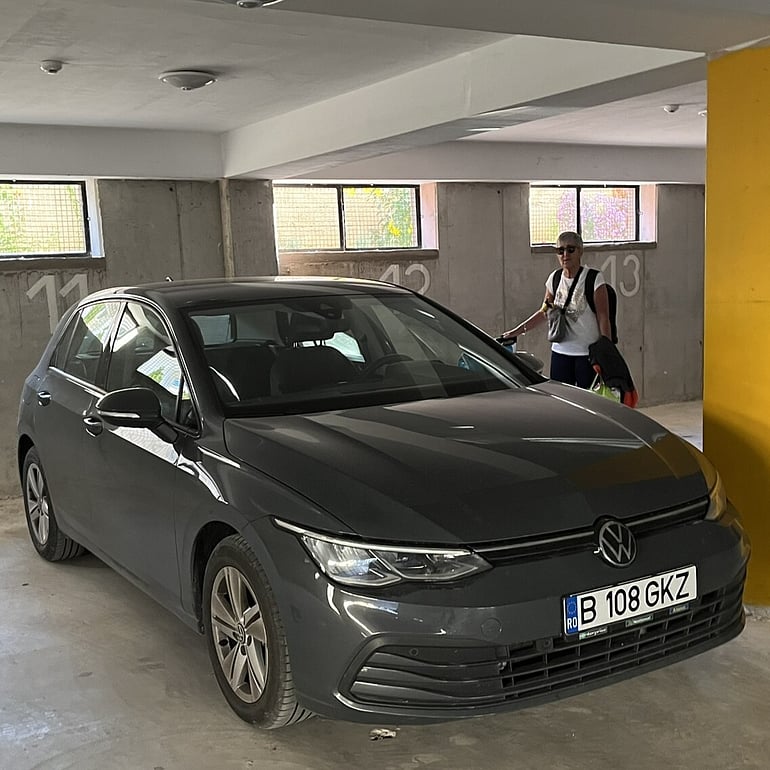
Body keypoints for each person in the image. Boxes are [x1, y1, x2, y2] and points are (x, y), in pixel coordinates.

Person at [501, 231, 612, 388]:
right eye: (560, 250)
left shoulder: (593, 278)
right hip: (560, 353)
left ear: (580, 251)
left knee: (587, 402)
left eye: (570, 249)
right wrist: (516, 331)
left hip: (586, 354)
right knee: (561, 399)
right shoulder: (555, 278)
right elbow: (544, 311)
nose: (565, 254)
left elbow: (603, 316)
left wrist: (606, 351)